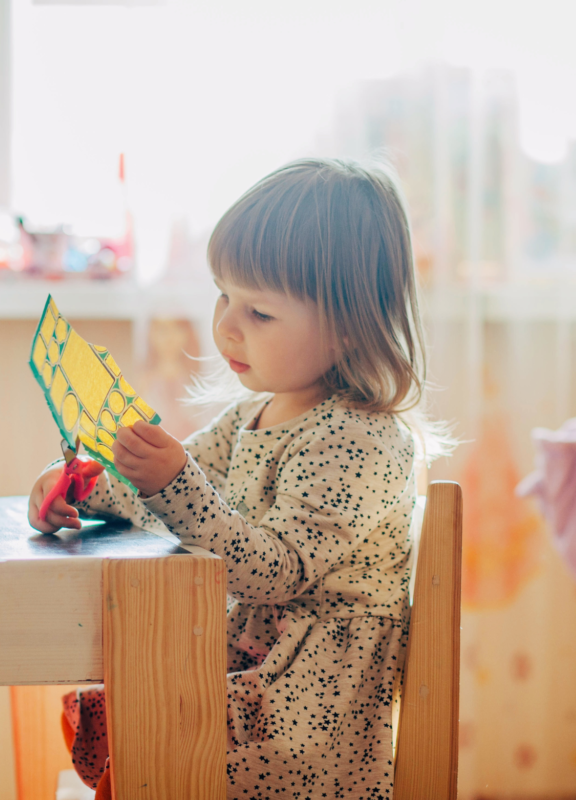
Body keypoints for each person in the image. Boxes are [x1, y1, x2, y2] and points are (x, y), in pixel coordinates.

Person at [29, 158, 448, 799]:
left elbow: (272, 570)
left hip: (304, 728)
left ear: (347, 326)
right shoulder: (252, 413)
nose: (226, 323)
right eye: (224, 294)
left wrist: (170, 482)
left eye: (260, 312)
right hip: (253, 681)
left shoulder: (362, 439)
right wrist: (85, 489)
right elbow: (172, 497)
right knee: (135, 699)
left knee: (151, 726)